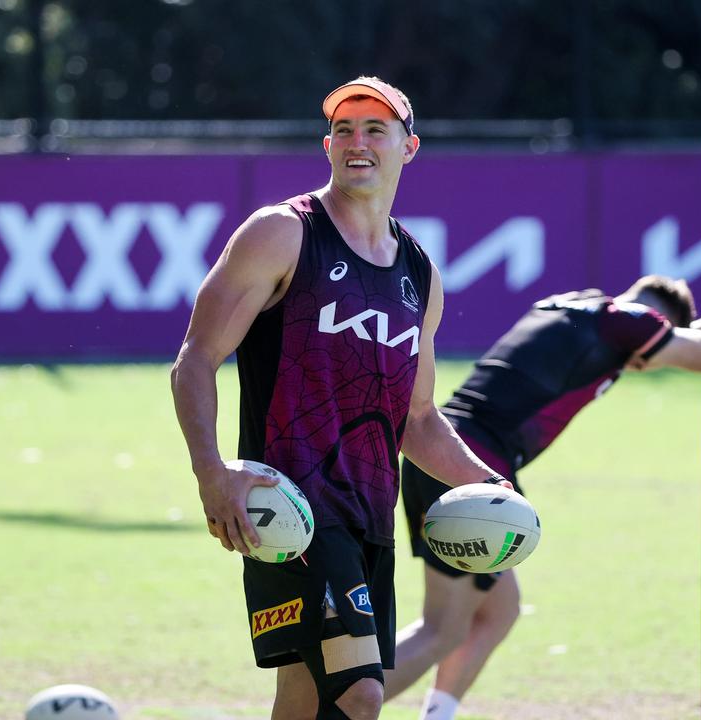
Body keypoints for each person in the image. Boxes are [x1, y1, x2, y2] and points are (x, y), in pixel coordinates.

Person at [170, 76, 511, 720]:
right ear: (327, 145)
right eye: (345, 130)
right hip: (288, 509)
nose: (359, 142)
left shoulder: (419, 274)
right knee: (359, 695)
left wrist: (493, 487)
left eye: (376, 130)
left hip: (368, 518)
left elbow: (417, 419)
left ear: (407, 148)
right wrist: (210, 472)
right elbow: (196, 358)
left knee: (303, 700)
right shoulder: (281, 233)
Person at [385, 271, 701, 720]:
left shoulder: (580, 307)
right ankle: (343, 709)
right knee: (442, 629)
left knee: (501, 610)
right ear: (659, 321)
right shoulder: (631, 325)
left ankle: (435, 715)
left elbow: (666, 346)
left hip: (444, 453)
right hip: (475, 470)